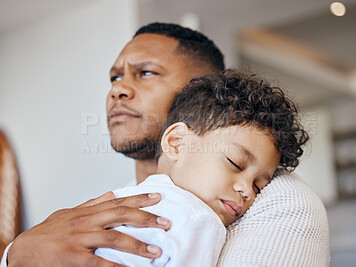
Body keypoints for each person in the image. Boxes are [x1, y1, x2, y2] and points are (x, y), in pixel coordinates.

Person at [2, 23, 330, 267]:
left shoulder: (281, 202)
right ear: (175, 142)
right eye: (115, 78)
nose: (119, 90)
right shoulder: (122, 199)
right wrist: (17, 253)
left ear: (199, 89)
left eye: (145, 73)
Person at [95, 69, 307, 266]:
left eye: (258, 187)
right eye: (235, 163)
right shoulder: (201, 221)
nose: (246, 190)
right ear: (177, 142)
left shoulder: (115, 200)